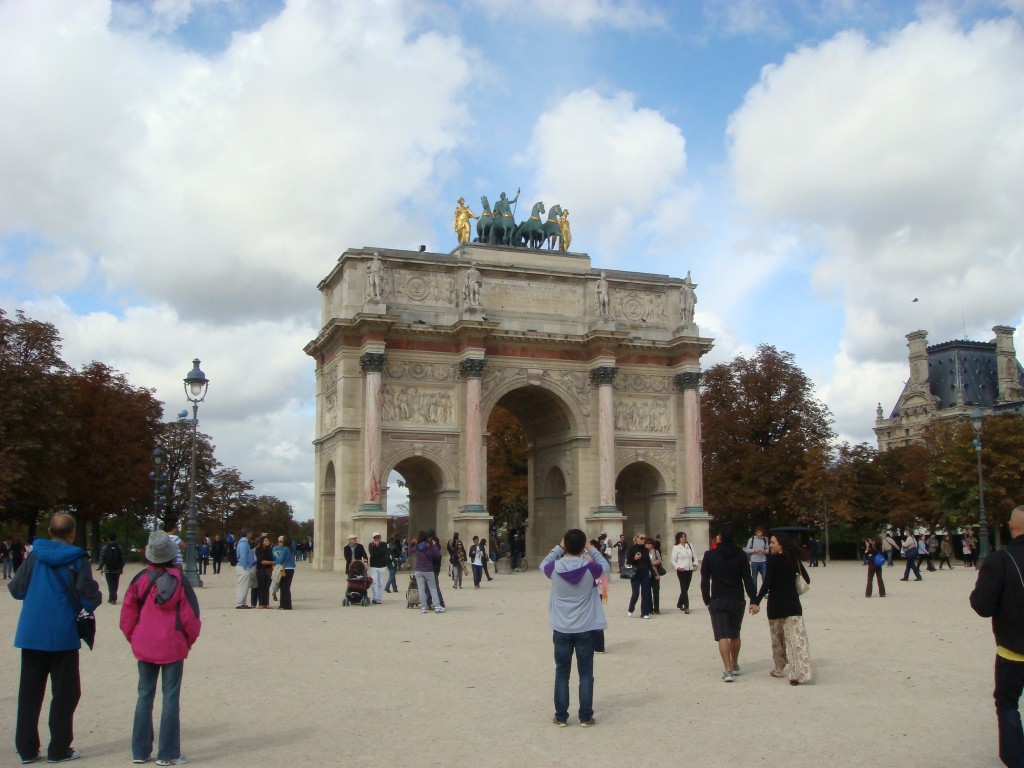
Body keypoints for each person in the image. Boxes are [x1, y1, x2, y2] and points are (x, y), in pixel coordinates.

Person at [8, 513, 101, 764]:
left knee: (29, 694)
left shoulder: (35, 555)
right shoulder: (77, 558)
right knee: (66, 693)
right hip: (62, 633)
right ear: (72, 533)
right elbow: (86, 597)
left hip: (32, 632)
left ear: (49, 530)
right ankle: (59, 748)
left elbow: (16, 589)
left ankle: (27, 750)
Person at [120, 530, 201, 766]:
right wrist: (187, 641)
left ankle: (140, 751)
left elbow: (127, 616)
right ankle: (168, 754)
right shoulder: (180, 580)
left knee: (144, 696)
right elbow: (191, 618)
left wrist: (135, 637)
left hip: (145, 643)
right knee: (170, 698)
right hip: (173, 644)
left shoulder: (139, 579)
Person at [970, 505, 1024, 767]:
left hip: (1013, 650)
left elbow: (982, 606)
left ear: (1011, 527)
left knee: (1008, 703)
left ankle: (1016, 759)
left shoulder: (999, 560)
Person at [541, 528, 608, 727]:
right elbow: (604, 564)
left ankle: (561, 717)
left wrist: (559, 547)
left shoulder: (553, 568)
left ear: (565, 546)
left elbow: (543, 562)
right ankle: (585, 717)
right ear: (582, 546)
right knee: (586, 673)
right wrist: (591, 548)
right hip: (585, 627)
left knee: (562, 672)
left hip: (561, 628)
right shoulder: (591, 569)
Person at [751, 533, 812, 685]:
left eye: (772, 542)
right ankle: (798, 673)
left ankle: (779, 668)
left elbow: (767, 582)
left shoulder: (772, 560)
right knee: (796, 641)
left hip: (776, 605)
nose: (770, 545)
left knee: (778, 640)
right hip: (792, 604)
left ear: (781, 544)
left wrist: (756, 601)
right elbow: (807, 579)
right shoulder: (794, 560)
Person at [700, 525, 757, 682]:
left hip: (718, 598)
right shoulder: (741, 555)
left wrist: (706, 598)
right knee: (735, 634)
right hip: (736, 598)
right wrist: (754, 599)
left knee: (722, 635)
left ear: (720, 537)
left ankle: (727, 670)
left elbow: (705, 580)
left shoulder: (710, 555)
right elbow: (748, 579)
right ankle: (735, 663)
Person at [411, 531, 444, 614]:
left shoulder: (417, 546)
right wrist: (435, 545)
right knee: (433, 588)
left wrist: (413, 544)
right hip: (428, 569)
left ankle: (423, 607)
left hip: (418, 570)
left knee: (421, 590)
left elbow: (411, 550)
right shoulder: (429, 546)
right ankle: (437, 606)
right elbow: (438, 555)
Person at [625, 533, 653, 619]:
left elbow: (648, 563)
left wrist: (654, 573)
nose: (643, 540)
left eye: (645, 538)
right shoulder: (632, 549)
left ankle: (645, 613)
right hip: (635, 574)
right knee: (636, 593)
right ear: (636, 539)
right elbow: (628, 562)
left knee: (645, 593)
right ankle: (631, 608)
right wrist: (635, 559)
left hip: (644, 574)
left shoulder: (646, 549)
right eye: (641, 538)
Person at [671, 531, 697, 613]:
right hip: (681, 569)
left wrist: (695, 564)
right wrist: (677, 567)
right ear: (678, 538)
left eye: (684, 536)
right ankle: (687, 607)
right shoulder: (676, 547)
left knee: (686, 588)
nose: (683, 538)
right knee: (683, 588)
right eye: (682, 537)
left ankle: (679, 603)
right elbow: (673, 559)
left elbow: (694, 556)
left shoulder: (689, 545)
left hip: (689, 568)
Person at [99, 533, 126, 605]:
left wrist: (101, 567)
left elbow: (102, 558)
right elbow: (122, 558)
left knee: (110, 584)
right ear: (116, 538)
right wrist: (121, 567)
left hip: (108, 568)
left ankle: (112, 598)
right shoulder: (119, 547)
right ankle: (113, 597)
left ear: (108, 538)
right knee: (115, 583)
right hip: (117, 568)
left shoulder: (104, 547)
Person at [234, 528, 255, 609]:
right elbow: (243, 556)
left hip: (244, 566)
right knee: (243, 586)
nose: (251, 534)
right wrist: (245, 566)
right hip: (243, 567)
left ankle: (242, 602)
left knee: (244, 586)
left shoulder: (243, 543)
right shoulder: (244, 543)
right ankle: (240, 603)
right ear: (247, 533)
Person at [274, 535, 296, 610]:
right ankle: (285, 604)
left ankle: (285, 605)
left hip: (284, 569)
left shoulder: (285, 549)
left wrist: (276, 557)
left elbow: (279, 560)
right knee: (286, 587)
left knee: (283, 587)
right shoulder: (291, 549)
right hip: (291, 569)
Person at [744, 526, 769, 591]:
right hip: (754, 561)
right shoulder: (751, 539)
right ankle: (754, 591)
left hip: (763, 560)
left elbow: (768, 550)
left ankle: (765, 591)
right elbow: (746, 549)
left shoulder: (764, 539)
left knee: (764, 577)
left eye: (761, 532)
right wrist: (754, 550)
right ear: (756, 533)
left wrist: (764, 551)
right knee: (754, 578)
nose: (760, 534)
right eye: (758, 532)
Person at [367, 532, 389, 604]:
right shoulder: (370, 545)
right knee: (374, 582)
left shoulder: (384, 544)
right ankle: (375, 598)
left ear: (380, 537)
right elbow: (372, 554)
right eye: (375, 537)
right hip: (374, 566)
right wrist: (375, 547)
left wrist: (378, 546)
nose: (376, 539)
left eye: (377, 537)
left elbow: (384, 553)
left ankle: (379, 598)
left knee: (381, 583)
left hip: (382, 565)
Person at [253, 536, 274, 608]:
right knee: (261, 586)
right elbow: (262, 561)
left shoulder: (269, 549)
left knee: (267, 587)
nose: (268, 541)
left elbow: (271, 558)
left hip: (269, 570)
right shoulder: (258, 549)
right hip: (261, 570)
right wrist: (273, 562)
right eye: (266, 540)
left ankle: (266, 603)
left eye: (268, 540)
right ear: (262, 542)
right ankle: (261, 603)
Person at [645, 536, 664, 614]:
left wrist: (658, 562)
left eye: (649, 543)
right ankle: (650, 608)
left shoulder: (656, 551)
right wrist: (652, 563)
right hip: (646, 574)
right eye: (646, 543)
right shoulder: (643, 552)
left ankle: (656, 608)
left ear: (652, 544)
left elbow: (660, 560)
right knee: (647, 592)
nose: (647, 545)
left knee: (656, 591)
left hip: (656, 573)